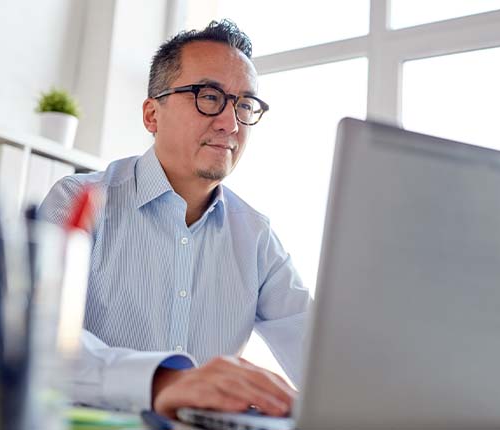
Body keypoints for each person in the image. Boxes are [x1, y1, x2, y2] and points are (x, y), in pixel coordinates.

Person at [40, 19, 311, 419]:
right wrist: (164, 382)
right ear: (152, 115)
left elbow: (319, 355)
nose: (230, 124)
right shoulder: (78, 200)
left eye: (244, 105)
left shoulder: (255, 236)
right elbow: (34, 334)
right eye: (208, 96)